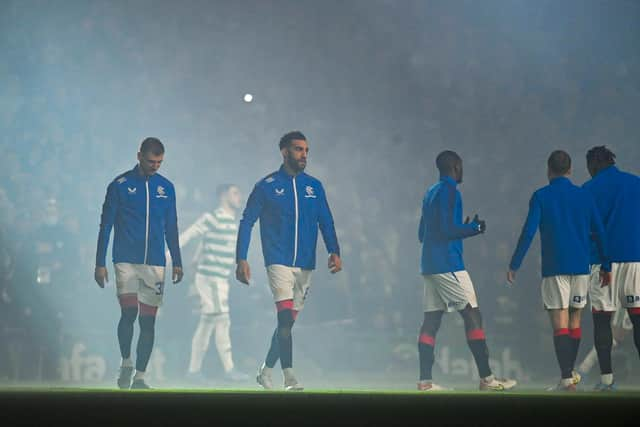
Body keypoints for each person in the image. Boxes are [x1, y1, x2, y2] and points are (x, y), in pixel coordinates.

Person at [235, 130, 342, 391]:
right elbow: (247, 221)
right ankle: (290, 376)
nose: (304, 154)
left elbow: (325, 221)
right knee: (284, 320)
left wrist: (334, 251)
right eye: (298, 149)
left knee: (287, 323)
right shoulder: (266, 186)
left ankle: (265, 370)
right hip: (278, 261)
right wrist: (241, 258)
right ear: (284, 152)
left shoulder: (314, 186)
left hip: (306, 263)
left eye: (306, 150)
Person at [507, 150, 611, 391]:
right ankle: (569, 375)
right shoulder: (584, 196)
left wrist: (515, 264)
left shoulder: (541, 196)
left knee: (560, 322)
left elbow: (528, 232)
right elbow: (600, 232)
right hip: (581, 268)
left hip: (555, 269)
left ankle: (566, 378)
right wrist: (606, 264)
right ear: (570, 170)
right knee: (575, 320)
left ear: (548, 170)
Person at [417, 150, 516, 392]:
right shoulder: (451, 192)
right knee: (472, 315)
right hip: (448, 264)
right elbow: (447, 230)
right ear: (456, 167)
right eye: (461, 167)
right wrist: (474, 228)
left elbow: (423, 234)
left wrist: (461, 227)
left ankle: (425, 382)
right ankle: (487, 379)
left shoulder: (430, 192)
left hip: (429, 265)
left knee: (431, 320)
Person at [95, 137, 183, 390]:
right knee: (129, 313)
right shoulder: (119, 185)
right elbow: (106, 226)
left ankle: (141, 377)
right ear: (139, 156)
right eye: (151, 161)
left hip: (155, 262)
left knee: (148, 321)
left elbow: (172, 226)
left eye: (159, 162)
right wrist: (99, 263)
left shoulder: (166, 187)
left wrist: (177, 260)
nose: (155, 166)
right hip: (125, 259)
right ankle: (126, 362)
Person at [581, 145, 640, 391]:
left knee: (602, 321)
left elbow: (587, 229)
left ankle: (607, 381)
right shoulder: (635, 183)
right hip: (635, 261)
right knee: (637, 319)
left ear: (593, 165)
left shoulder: (588, 189)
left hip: (602, 263)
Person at [178, 184, 250, 383]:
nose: (239, 197)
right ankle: (229, 369)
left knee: (207, 323)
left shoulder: (232, 223)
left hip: (219, 279)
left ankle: (193, 371)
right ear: (223, 196)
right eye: (235, 193)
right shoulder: (212, 218)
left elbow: (203, 244)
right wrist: (168, 257)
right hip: (211, 279)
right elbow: (188, 235)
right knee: (222, 320)